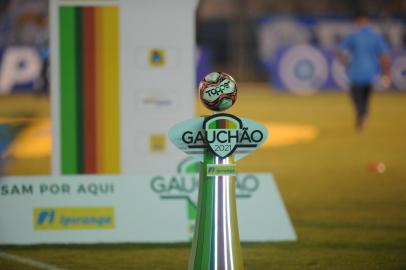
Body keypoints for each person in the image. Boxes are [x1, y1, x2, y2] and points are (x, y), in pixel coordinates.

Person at [337, 11, 390, 132]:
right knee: (366, 99)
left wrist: (345, 62)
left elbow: (340, 51)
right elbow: (384, 56)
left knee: (357, 98)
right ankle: (363, 115)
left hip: (355, 73)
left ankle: (361, 115)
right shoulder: (375, 36)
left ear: (358, 20)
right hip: (370, 74)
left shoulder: (353, 36)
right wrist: (386, 73)